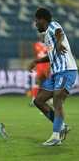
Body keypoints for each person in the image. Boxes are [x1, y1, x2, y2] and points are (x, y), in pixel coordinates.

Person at [28, 8, 78, 146]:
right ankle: (62, 127)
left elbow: (59, 33)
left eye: (36, 20)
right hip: (56, 73)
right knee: (38, 101)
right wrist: (37, 61)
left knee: (57, 99)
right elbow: (51, 56)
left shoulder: (53, 26)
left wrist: (59, 42)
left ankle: (56, 136)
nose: (35, 23)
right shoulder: (46, 37)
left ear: (42, 19)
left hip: (66, 70)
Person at [30, 34, 50, 105]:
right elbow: (36, 54)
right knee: (37, 82)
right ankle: (33, 99)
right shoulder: (37, 44)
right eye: (41, 37)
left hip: (47, 66)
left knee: (49, 82)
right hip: (39, 66)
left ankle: (49, 99)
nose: (42, 38)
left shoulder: (49, 45)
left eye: (44, 37)